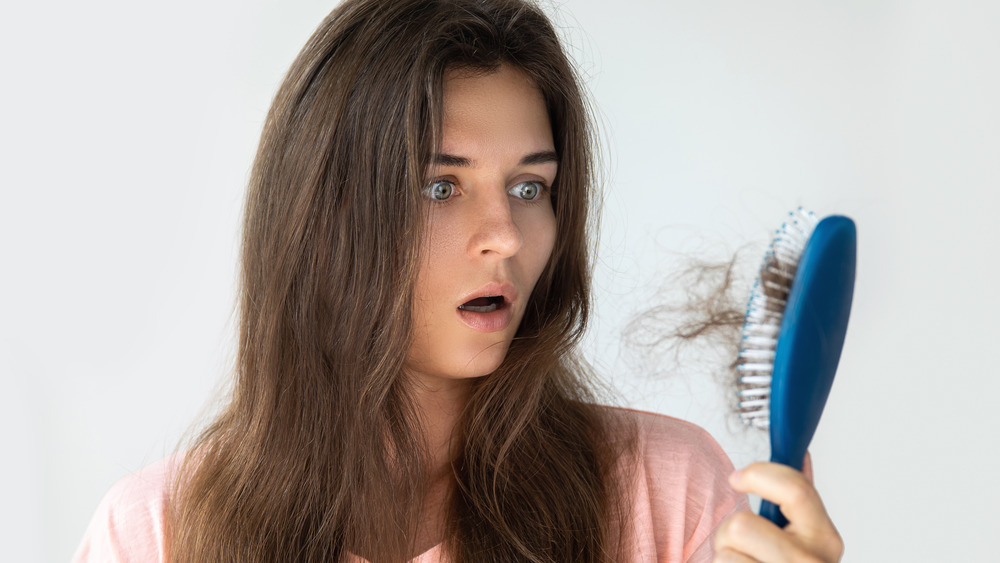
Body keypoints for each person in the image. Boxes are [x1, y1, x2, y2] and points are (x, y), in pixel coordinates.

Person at [73, 0, 844, 561]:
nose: (506, 235)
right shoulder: (156, 535)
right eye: (441, 187)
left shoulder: (663, 493)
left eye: (530, 187)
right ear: (322, 217)